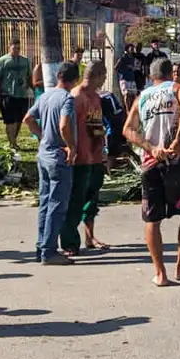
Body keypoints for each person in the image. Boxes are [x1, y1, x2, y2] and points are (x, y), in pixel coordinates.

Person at [122, 57, 180, 287]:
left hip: (151, 162)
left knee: (152, 219)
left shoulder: (143, 97)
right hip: (176, 160)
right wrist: (179, 139)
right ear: (172, 73)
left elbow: (127, 130)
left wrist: (150, 147)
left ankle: (160, 273)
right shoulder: (177, 88)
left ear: (151, 76)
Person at [22, 62, 79, 266]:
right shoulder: (67, 99)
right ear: (75, 80)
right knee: (57, 204)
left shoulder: (45, 96)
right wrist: (71, 146)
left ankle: (41, 247)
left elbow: (28, 118)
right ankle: (49, 251)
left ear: (58, 76)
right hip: (58, 156)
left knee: (45, 203)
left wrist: (42, 135)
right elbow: (64, 125)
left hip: (43, 155)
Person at [61, 61, 109, 256]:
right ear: (96, 75)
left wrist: (102, 151)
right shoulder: (75, 97)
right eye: (104, 75)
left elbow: (96, 124)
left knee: (92, 199)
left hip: (95, 156)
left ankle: (90, 236)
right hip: (79, 157)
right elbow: (65, 126)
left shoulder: (96, 98)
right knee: (75, 202)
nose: (105, 79)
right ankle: (69, 243)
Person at [0, 40, 33, 149]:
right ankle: (12, 143)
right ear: (9, 47)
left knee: (19, 120)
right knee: (10, 120)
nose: (16, 50)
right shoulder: (2, 61)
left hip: (22, 95)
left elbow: (29, 77)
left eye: (18, 48)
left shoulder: (25, 61)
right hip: (7, 94)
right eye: (14, 48)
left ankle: (13, 140)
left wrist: (32, 89)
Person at [117, 43, 141, 109]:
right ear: (127, 49)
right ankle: (127, 110)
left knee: (134, 94)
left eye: (133, 48)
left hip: (131, 78)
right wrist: (126, 68)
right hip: (124, 79)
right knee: (126, 94)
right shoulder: (123, 58)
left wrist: (134, 67)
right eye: (131, 48)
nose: (133, 50)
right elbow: (116, 68)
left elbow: (137, 67)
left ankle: (132, 109)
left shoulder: (133, 58)